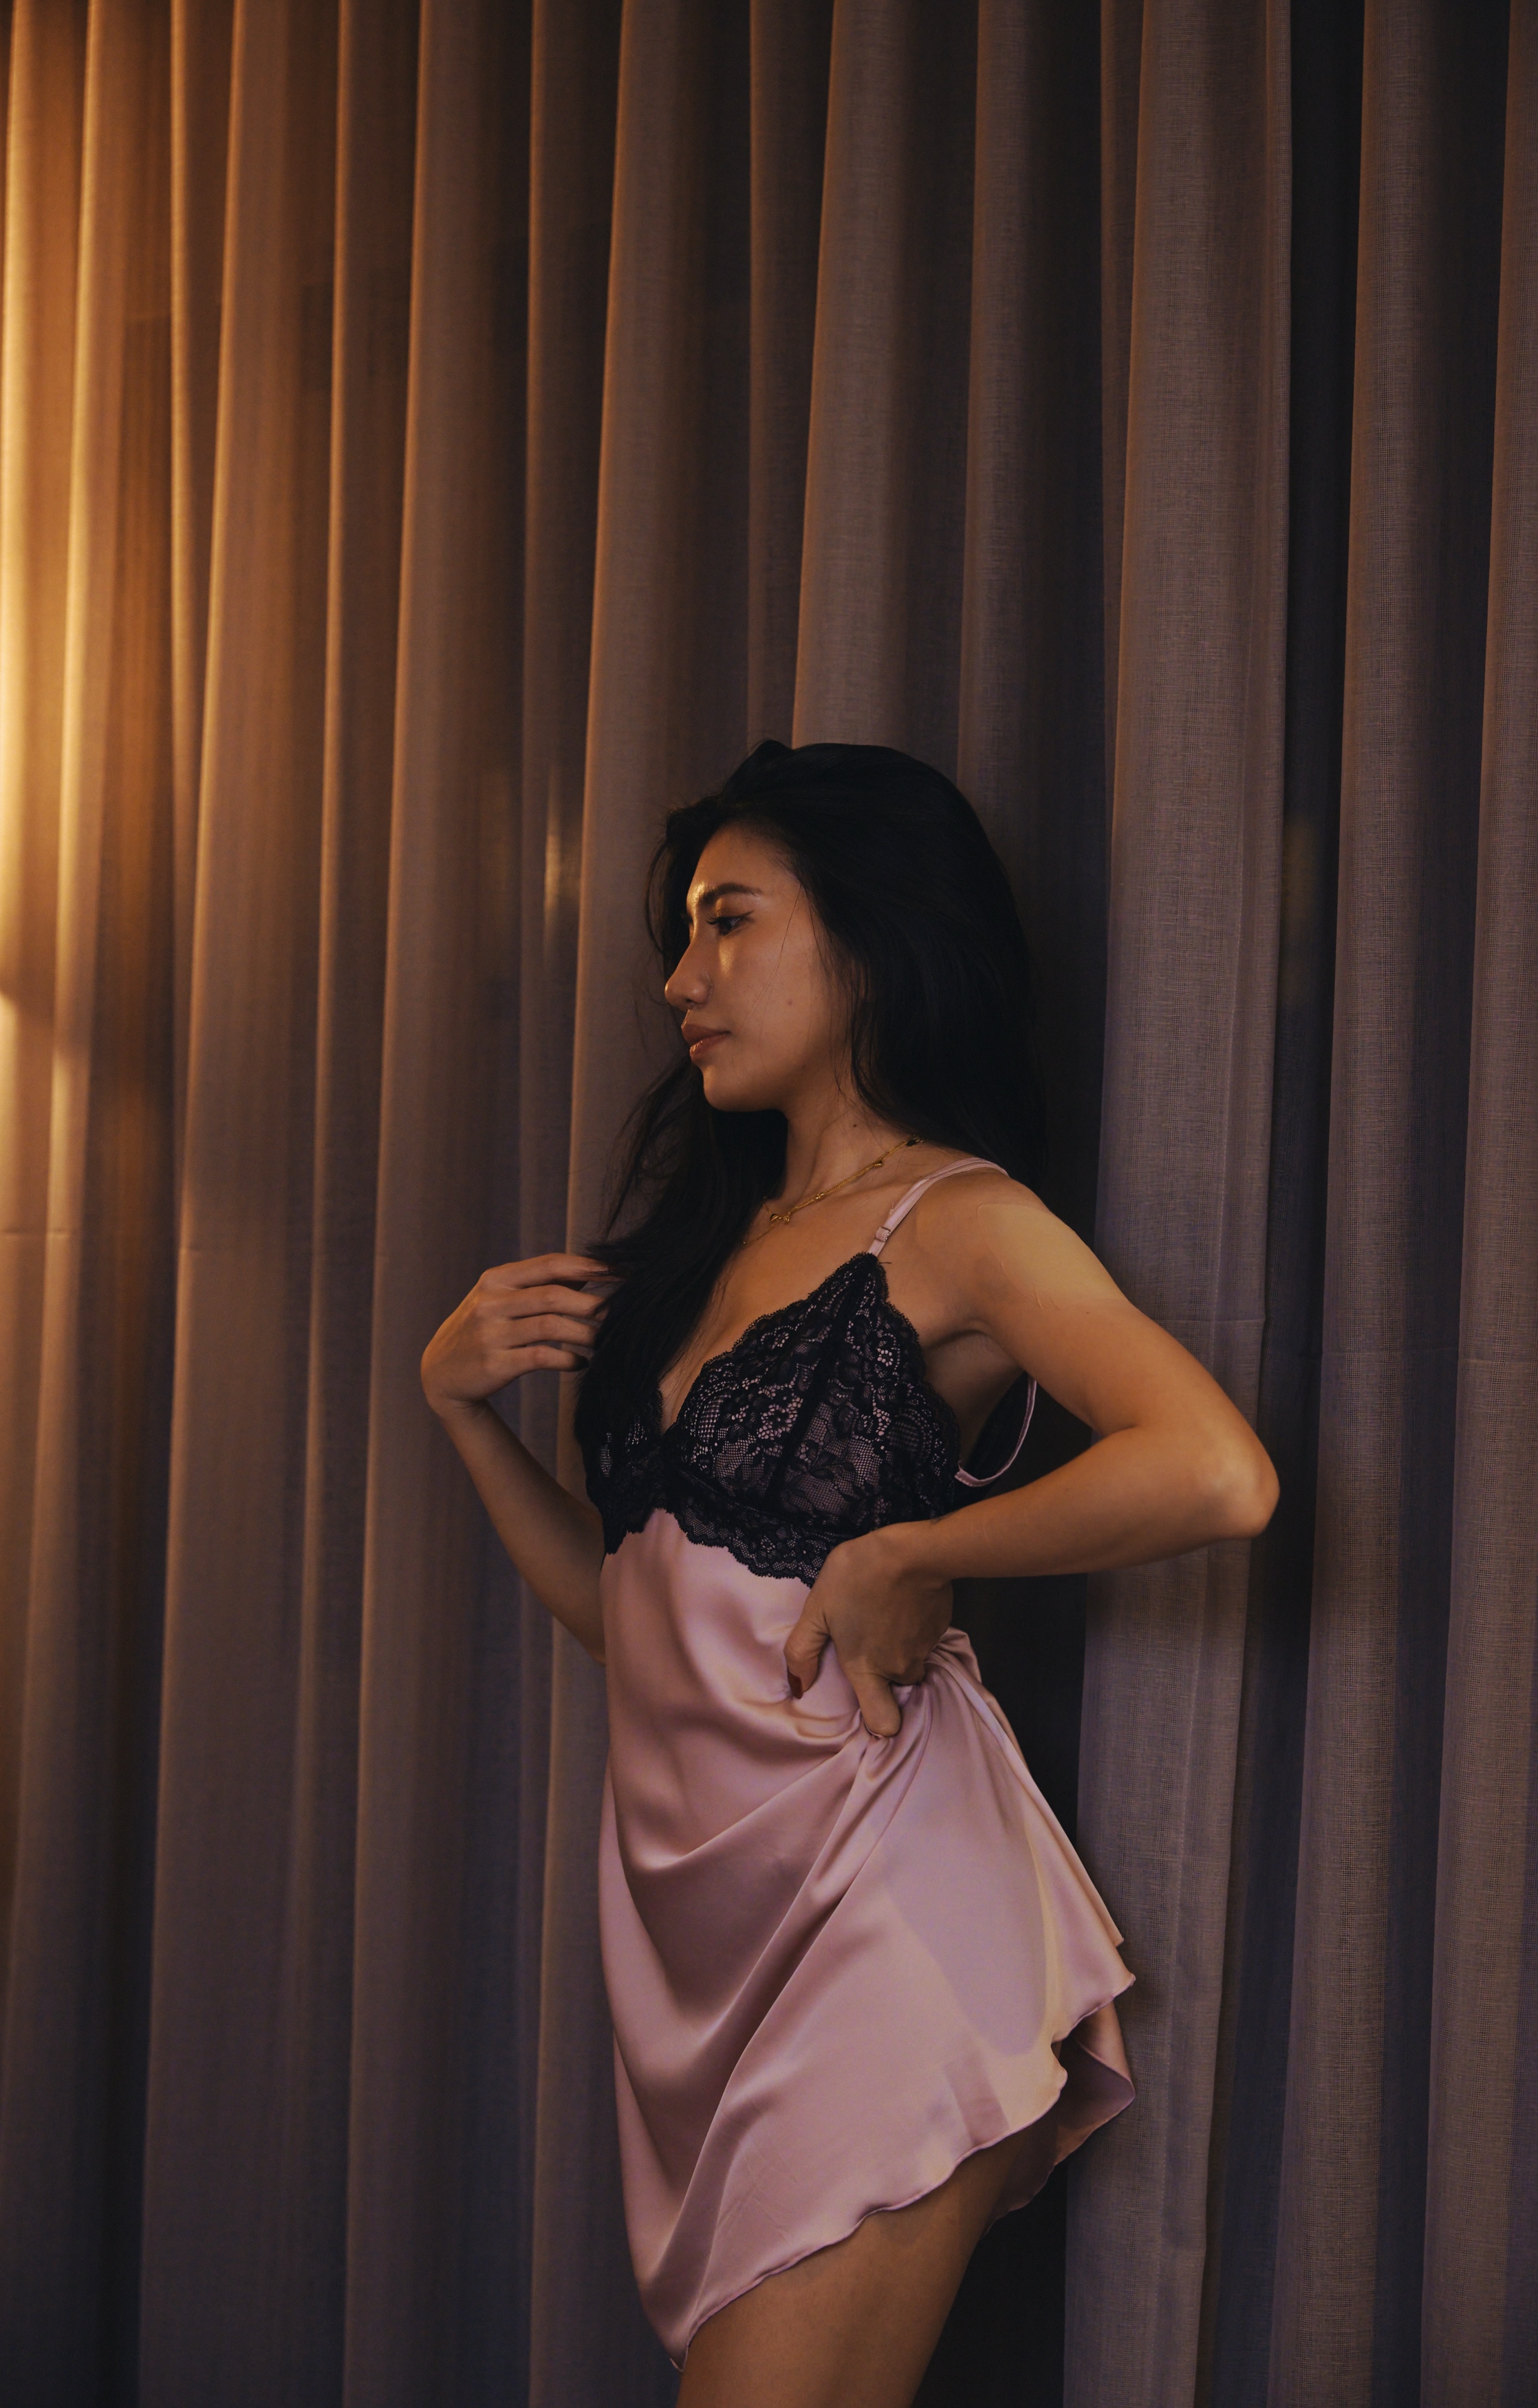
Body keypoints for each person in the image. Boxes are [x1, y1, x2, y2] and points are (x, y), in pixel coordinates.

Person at [422, 740, 1278, 2407]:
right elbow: (638, 1623)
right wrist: (460, 1415)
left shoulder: (960, 1220)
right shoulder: (708, 1246)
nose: (681, 979)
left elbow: (1216, 1468)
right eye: (684, 933)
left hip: (886, 1909)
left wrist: (917, 1547)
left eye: (730, 920)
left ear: (872, 937)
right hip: (701, 1941)